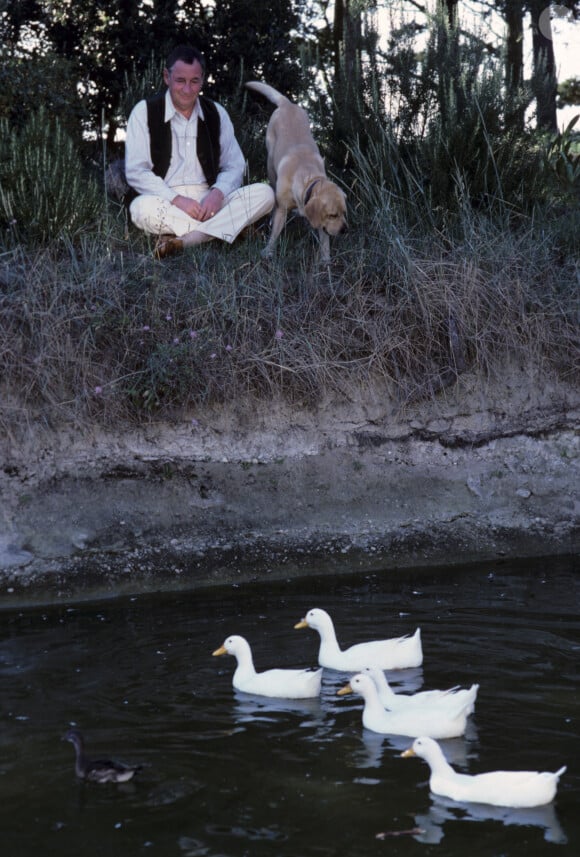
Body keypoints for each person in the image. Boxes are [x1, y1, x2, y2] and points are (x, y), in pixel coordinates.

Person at [125, 45, 274, 259]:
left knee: (265, 194)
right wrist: (176, 199)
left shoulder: (216, 113)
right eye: (180, 81)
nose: (187, 89)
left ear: (202, 80)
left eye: (194, 81)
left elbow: (234, 165)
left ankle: (187, 240)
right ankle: (231, 229)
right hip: (167, 200)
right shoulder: (144, 112)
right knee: (140, 209)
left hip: (211, 202)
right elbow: (136, 172)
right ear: (167, 77)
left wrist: (218, 193)